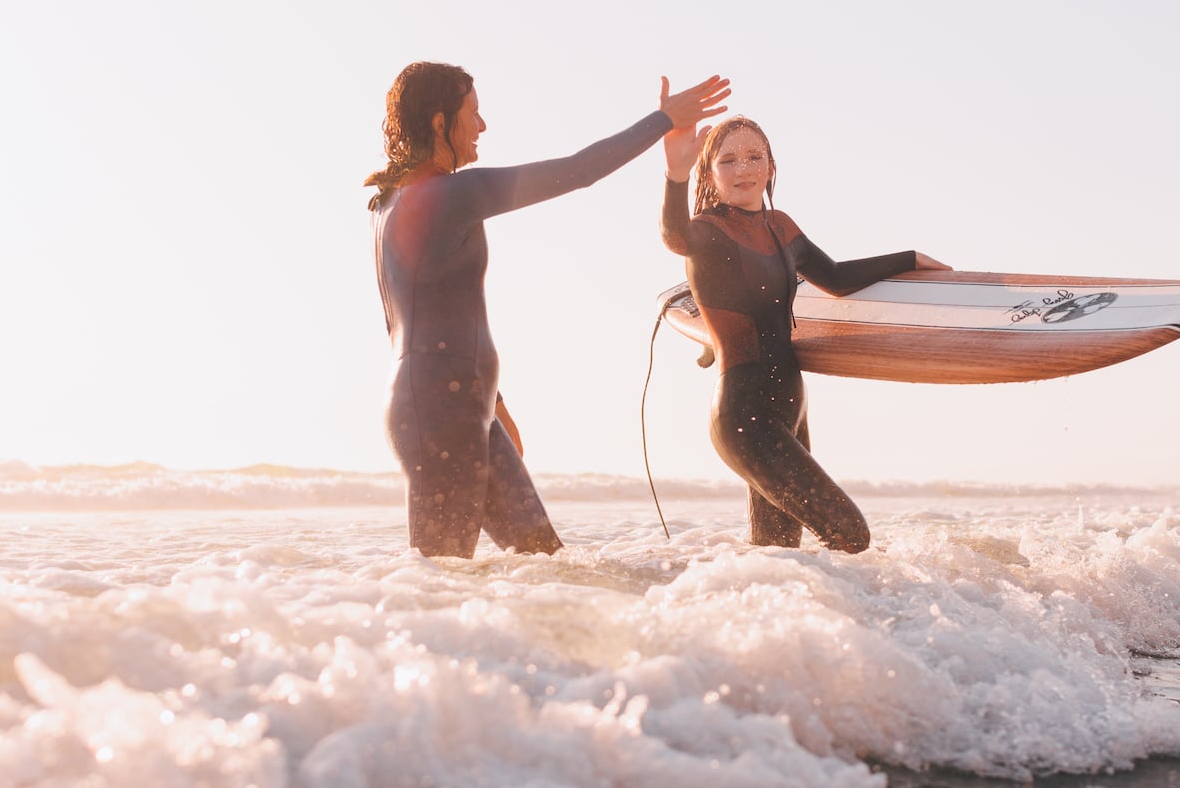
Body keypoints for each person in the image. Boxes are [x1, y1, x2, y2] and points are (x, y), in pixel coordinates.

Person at [367, 63, 730, 558]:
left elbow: (423, 314)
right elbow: (577, 171)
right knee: (440, 576)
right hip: (440, 408)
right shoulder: (448, 195)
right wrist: (662, 120)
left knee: (543, 561)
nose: (483, 126)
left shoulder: (400, 201)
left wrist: (492, 402)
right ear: (438, 122)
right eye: (472, 113)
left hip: (453, 400)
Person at [659, 116, 949, 553]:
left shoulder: (782, 227)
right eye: (729, 160)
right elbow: (674, 235)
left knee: (778, 555)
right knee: (849, 534)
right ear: (710, 172)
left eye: (755, 157)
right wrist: (674, 176)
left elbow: (835, 277)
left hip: (791, 406)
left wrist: (908, 258)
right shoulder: (706, 232)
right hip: (744, 416)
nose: (744, 169)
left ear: (771, 165)